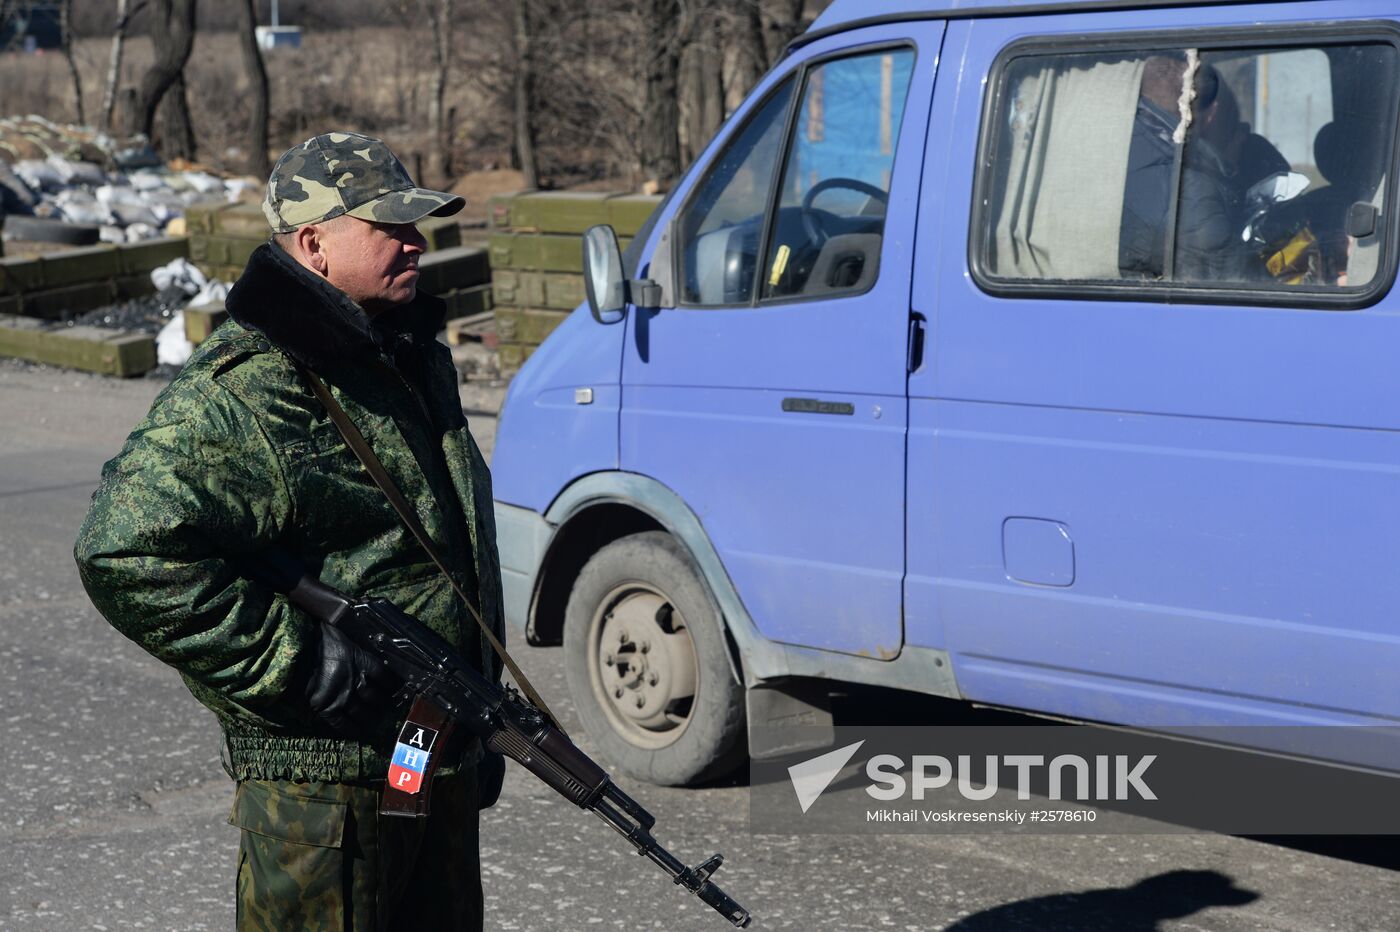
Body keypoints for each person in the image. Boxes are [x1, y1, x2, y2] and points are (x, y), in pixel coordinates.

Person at [74, 132, 505, 930]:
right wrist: (305, 668)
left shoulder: (403, 354)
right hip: (323, 800)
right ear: (313, 244)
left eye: (415, 224)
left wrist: (471, 722)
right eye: (389, 226)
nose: (416, 242)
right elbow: (122, 550)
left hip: (427, 757)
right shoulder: (248, 391)